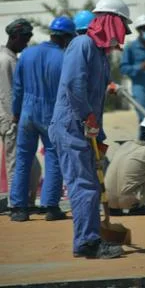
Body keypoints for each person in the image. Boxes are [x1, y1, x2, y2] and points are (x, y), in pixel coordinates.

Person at [48, 0, 132, 259]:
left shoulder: (101, 54)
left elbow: (97, 99)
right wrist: (88, 118)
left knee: (92, 184)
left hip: (86, 127)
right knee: (84, 184)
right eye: (121, 26)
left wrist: (100, 134)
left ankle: (90, 237)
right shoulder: (82, 44)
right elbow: (75, 86)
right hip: (71, 125)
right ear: (110, 21)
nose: (123, 34)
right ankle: (87, 243)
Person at [10, 16, 76, 222]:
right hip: (51, 115)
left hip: (27, 114)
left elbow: (17, 89)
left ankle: (19, 209)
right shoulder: (64, 58)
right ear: (65, 37)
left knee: (23, 160)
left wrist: (16, 112)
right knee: (54, 158)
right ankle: (50, 206)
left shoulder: (27, 54)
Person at [0, 19, 41, 209]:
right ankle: (15, 204)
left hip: (20, 119)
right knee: (15, 164)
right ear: (14, 36)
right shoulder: (5, 60)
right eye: (25, 38)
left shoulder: (13, 58)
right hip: (11, 120)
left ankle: (27, 202)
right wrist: (13, 118)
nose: (27, 42)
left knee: (32, 167)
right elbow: (7, 94)